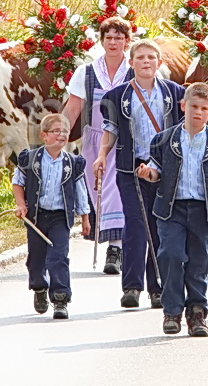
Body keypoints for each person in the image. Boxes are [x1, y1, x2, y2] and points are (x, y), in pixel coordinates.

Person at [136, 83, 208, 337]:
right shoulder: (164, 139)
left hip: (203, 210)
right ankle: (171, 311)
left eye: (204, 108)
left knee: (198, 262)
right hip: (171, 210)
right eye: (193, 106)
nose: (198, 112)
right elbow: (156, 169)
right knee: (170, 255)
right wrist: (149, 174)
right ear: (183, 106)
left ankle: (196, 313)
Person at [95, 39, 186, 309]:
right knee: (135, 224)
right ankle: (131, 287)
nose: (146, 62)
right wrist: (101, 155)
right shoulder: (117, 96)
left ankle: (157, 287)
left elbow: (182, 131)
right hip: (130, 169)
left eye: (151, 57)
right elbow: (110, 130)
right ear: (131, 62)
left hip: (164, 171)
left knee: (159, 226)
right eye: (140, 57)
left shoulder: (175, 94)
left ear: (159, 63)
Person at [64, 16, 134, 275]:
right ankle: (117, 240)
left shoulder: (135, 70)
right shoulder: (86, 72)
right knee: (100, 192)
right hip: (94, 141)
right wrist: (60, 136)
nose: (113, 42)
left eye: (118, 38)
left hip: (125, 142)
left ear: (127, 42)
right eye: (109, 38)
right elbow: (73, 108)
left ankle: (115, 248)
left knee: (116, 189)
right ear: (102, 41)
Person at [11, 113, 91, 319]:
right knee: (36, 260)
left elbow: (81, 190)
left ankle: (60, 299)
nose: (61, 135)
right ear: (44, 135)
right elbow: (17, 182)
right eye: (56, 131)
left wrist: (85, 217)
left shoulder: (73, 163)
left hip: (60, 218)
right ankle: (39, 288)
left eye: (64, 132)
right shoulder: (30, 159)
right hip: (37, 217)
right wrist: (21, 204)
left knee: (58, 257)